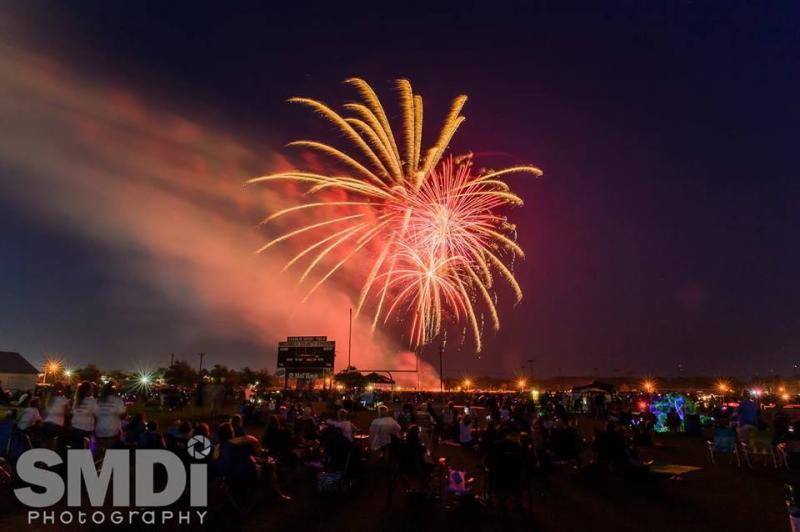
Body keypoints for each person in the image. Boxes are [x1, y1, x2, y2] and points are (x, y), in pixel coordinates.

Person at [95, 382, 126, 456]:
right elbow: (122, 414)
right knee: (112, 453)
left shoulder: (98, 401)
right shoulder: (118, 400)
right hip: (113, 430)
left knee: (100, 453)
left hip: (99, 429)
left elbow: (95, 415)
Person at [70, 381, 97, 449]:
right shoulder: (93, 401)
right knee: (83, 451)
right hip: (86, 429)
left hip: (75, 428)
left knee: (75, 450)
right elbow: (97, 414)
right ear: (89, 390)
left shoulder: (77, 401)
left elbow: (73, 412)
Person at [42, 384, 70, 448]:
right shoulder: (64, 400)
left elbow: (44, 412)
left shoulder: (48, 399)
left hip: (46, 424)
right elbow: (67, 413)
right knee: (54, 445)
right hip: (57, 425)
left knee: (46, 444)